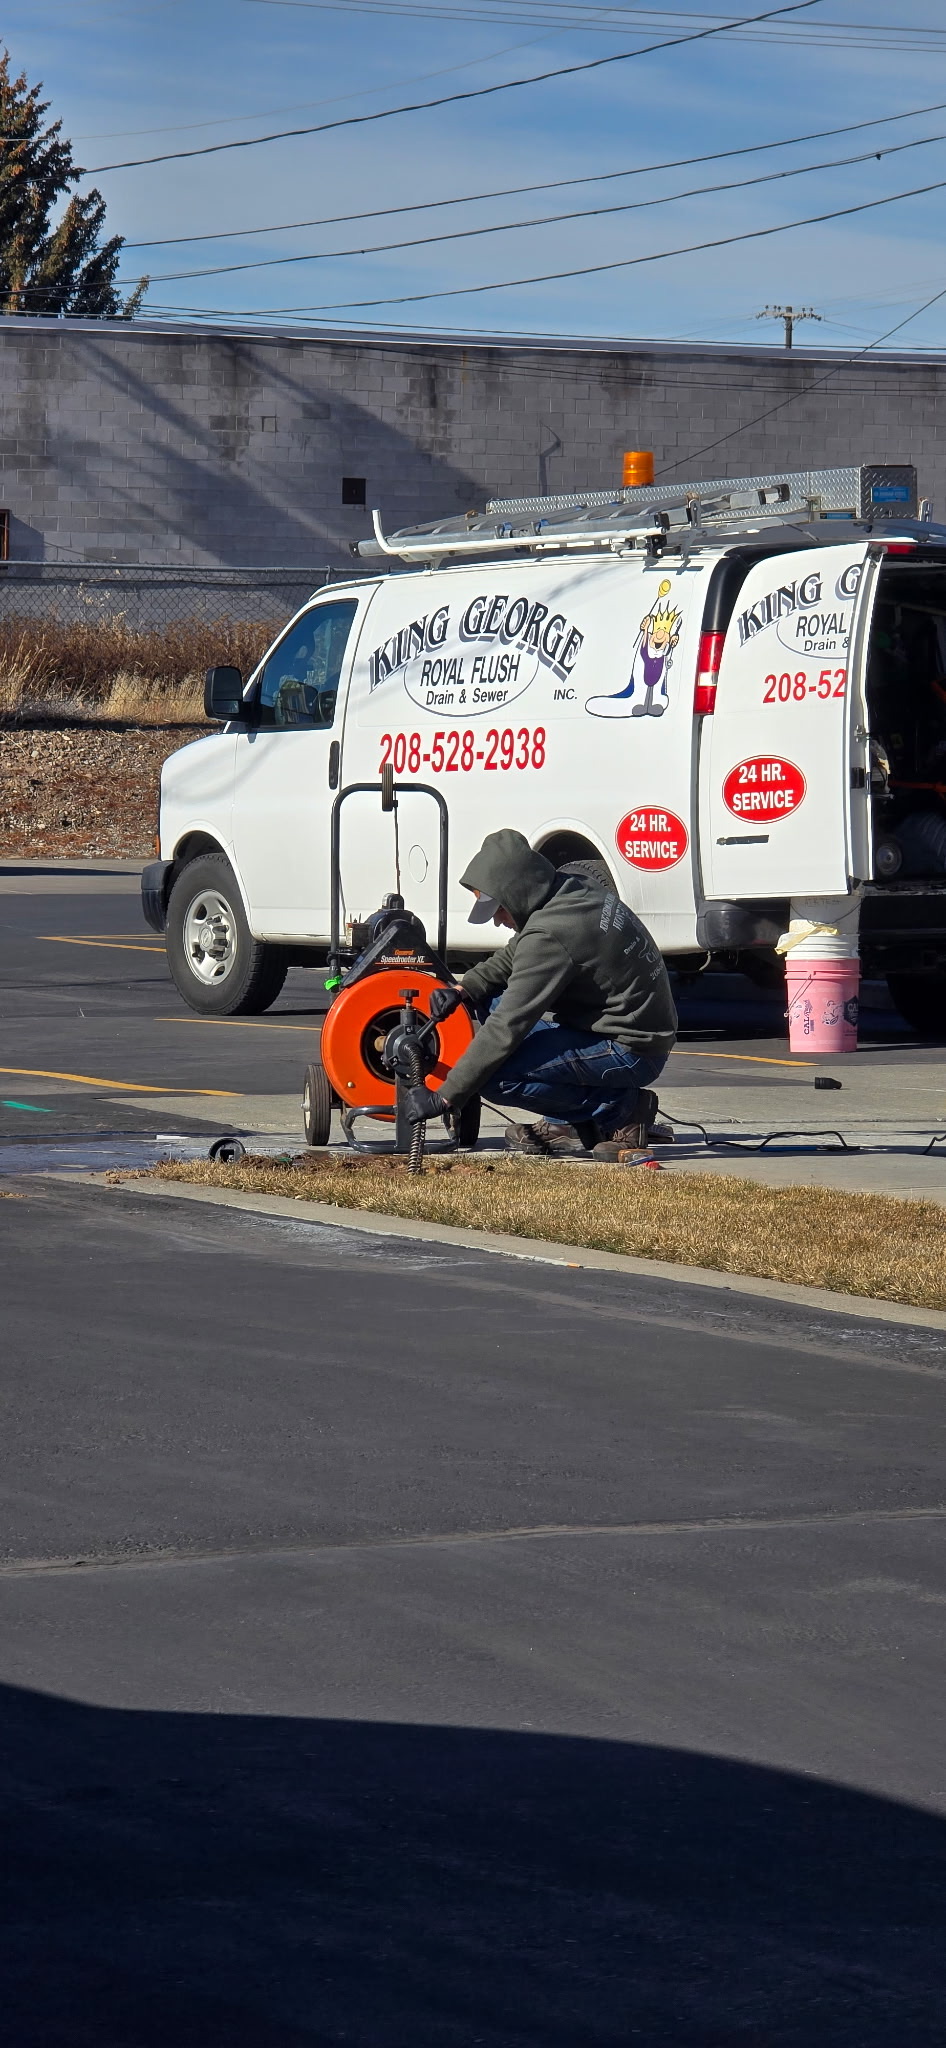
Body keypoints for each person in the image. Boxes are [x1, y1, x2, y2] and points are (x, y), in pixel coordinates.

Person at [407, 828, 677, 1159]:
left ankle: (622, 1111)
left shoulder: (552, 934)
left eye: (499, 911)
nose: (497, 922)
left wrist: (446, 1096)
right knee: (488, 997)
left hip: (631, 1050)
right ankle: (567, 1120)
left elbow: (507, 1025)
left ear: (519, 893)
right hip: (621, 1028)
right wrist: (464, 989)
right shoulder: (569, 888)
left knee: (493, 1077)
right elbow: (517, 951)